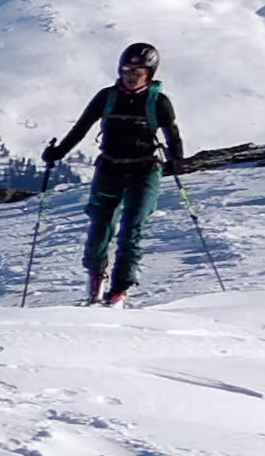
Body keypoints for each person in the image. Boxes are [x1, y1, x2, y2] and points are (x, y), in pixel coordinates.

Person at [43, 43, 186, 304]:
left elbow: (172, 135)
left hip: (144, 170)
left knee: (133, 230)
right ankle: (97, 277)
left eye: (138, 71)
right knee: (100, 226)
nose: (131, 76)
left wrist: (177, 160)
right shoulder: (106, 97)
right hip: (110, 168)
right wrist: (58, 152)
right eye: (126, 70)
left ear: (150, 74)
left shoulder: (159, 102)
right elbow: (82, 127)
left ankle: (119, 290)